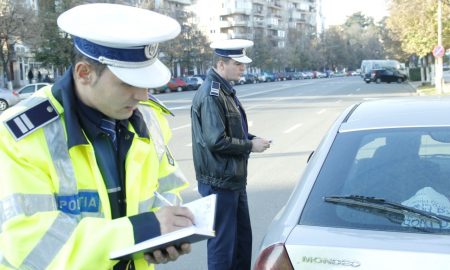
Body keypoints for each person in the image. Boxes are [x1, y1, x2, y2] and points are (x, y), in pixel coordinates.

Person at [0, 3, 194, 270]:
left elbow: (167, 192)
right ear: (84, 73)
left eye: (146, 82)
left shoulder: (148, 119)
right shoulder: (17, 135)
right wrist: (142, 231)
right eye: (128, 82)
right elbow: (30, 244)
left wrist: (168, 234)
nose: (143, 95)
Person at [191, 39, 271, 270]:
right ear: (221, 64)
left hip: (231, 180)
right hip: (219, 182)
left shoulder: (225, 91)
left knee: (241, 243)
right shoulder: (212, 95)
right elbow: (216, 141)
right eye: (238, 63)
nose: (242, 68)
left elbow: (232, 132)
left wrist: (252, 139)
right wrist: (249, 146)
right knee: (222, 246)